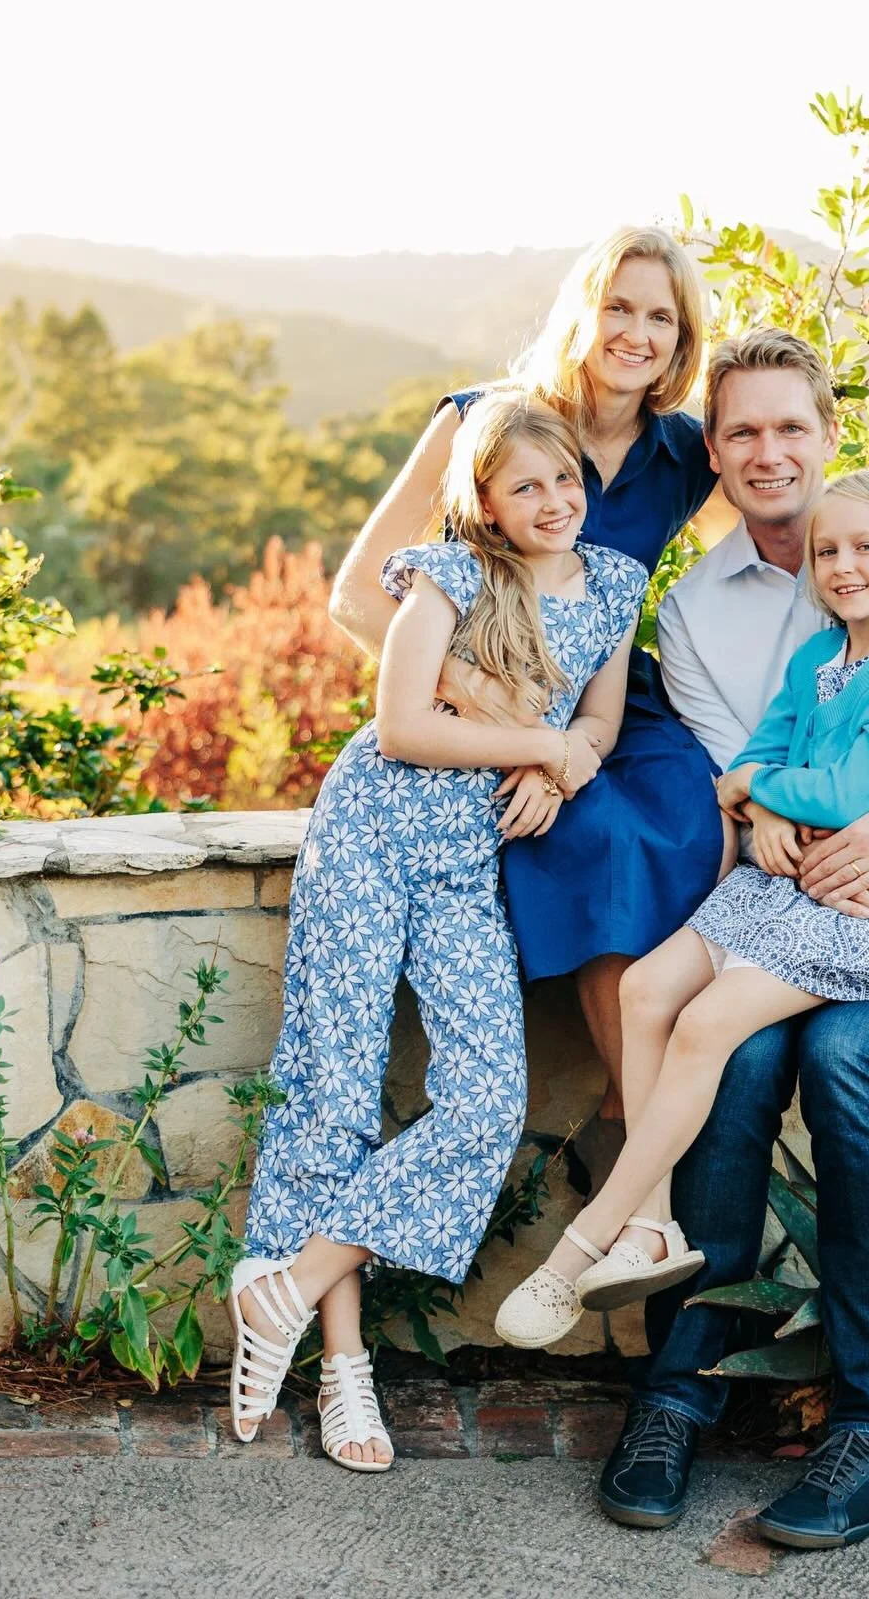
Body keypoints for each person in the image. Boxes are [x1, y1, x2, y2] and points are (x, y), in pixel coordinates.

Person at [589, 328, 869, 1551]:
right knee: (730, 1061)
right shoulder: (694, 614)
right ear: (716, 453)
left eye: (791, 425)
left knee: (847, 1064)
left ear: (827, 432)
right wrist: (763, 816)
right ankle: (682, 1392)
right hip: (793, 890)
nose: (768, 450)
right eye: (740, 430)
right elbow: (745, 774)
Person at [495, 468, 869, 1357]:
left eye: (866, 547)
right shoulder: (820, 657)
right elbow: (770, 747)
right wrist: (760, 787)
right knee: (648, 988)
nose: (844, 566)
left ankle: (579, 1249)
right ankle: (653, 1223)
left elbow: (850, 792)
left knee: (707, 1026)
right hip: (795, 867)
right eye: (828, 552)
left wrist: (751, 786)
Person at [230, 395, 646, 1469]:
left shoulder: (615, 586)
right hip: (370, 835)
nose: (552, 502)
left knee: (488, 1098)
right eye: (525, 488)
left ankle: (289, 1282)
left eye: (564, 480)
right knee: (337, 1085)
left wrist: (573, 759)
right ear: (488, 505)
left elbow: (598, 717)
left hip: (468, 862)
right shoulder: (447, 579)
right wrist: (533, 746)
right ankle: (344, 1374)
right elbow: (404, 726)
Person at [327, 226, 728, 1179]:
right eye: (618, 307)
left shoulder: (684, 454)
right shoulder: (487, 419)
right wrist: (509, 734)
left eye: (661, 317)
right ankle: (637, 1141)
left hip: (615, 706)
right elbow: (356, 595)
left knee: (693, 817)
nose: (636, 332)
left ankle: (642, 1108)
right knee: (591, 841)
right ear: (582, 313)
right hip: (483, 712)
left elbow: (778, 553)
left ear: (684, 338)